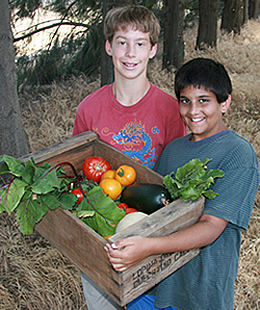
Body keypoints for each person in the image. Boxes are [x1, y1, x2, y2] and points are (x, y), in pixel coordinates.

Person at [105, 58, 260, 310]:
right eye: (185, 101)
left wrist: (147, 247)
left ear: (225, 103)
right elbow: (152, 208)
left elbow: (210, 227)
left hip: (197, 294)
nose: (193, 110)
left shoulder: (238, 154)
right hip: (151, 285)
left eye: (204, 101)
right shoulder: (174, 149)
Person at [72, 5, 186, 310]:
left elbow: (175, 180)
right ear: (109, 47)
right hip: (103, 238)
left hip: (152, 236)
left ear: (153, 50)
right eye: (122, 42)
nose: (130, 52)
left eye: (140, 43)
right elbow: (79, 177)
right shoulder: (89, 109)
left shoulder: (169, 110)